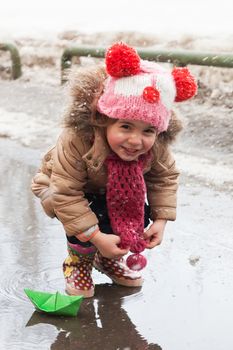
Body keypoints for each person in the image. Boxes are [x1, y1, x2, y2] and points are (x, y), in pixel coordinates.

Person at [31, 42, 197, 298]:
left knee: (136, 214)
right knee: (86, 215)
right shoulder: (77, 139)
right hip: (60, 188)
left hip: (108, 190)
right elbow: (66, 193)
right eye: (126, 127)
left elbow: (164, 179)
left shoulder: (157, 145)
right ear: (105, 119)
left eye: (148, 131)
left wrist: (161, 221)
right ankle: (79, 262)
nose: (136, 141)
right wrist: (97, 238)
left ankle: (106, 260)